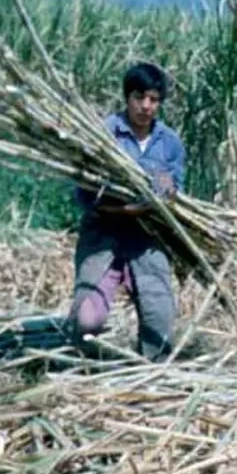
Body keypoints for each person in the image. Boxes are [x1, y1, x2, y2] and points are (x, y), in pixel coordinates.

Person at [68, 61, 186, 362]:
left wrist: (160, 198)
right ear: (127, 97)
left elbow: (171, 187)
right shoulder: (105, 134)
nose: (146, 106)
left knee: (159, 320)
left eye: (153, 100)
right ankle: (87, 366)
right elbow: (83, 191)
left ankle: (151, 374)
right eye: (139, 97)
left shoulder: (167, 143)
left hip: (146, 235)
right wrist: (121, 209)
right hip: (103, 232)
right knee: (86, 321)